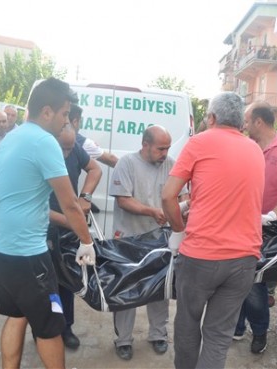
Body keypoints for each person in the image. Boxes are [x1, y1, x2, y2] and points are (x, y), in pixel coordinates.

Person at [0, 77, 96, 369]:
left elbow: (30, 202)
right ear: (47, 111)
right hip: (26, 255)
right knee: (50, 324)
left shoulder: (13, 137)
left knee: (17, 314)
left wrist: (73, 227)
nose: (67, 121)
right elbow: (70, 203)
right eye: (64, 114)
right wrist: (87, 241)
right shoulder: (44, 141)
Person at [161, 92, 265, 369]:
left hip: (201, 257)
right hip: (245, 259)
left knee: (187, 325)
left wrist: (178, 231)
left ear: (211, 118)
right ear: (241, 122)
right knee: (219, 336)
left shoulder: (199, 142)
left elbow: (168, 196)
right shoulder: (255, 149)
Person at [109, 125, 185, 361]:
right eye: (161, 148)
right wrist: (152, 211)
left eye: (167, 148)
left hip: (159, 237)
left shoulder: (170, 165)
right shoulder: (127, 164)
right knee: (126, 289)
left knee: (159, 287)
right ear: (145, 145)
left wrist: (183, 205)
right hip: (128, 238)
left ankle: (158, 335)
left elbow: (181, 195)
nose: (165, 153)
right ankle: (123, 340)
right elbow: (123, 200)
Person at [234, 101, 277, 354]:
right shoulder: (247, 146)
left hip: (272, 228)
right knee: (238, 277)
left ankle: (260, 331)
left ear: (258, 122)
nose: (243, 125)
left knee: (255, 280)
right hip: (243, 224)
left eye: (246, 120)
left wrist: (272, 214)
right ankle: (238, 326)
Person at [48, 124, 102, 349]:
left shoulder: (73, 147)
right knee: (48, 283)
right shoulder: (42, 154)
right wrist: (73, 222)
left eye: (71, 149)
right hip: (44, 228)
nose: (67, 154)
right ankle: (47, 327)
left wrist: (86, 196)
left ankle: (65, 326)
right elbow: (37, 208)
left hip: (68, 226)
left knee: (68, 280)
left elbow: (95, 169)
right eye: (64, 148)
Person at [69, 103, 119, 168]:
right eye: (80, 122)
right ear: (75, 122)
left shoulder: (53, 136)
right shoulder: (83, 142)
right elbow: (111, 159)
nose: (79, 127)